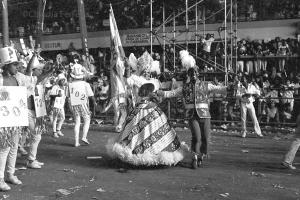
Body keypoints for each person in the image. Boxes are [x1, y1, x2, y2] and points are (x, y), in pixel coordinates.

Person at [158, 50, 227, 169]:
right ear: (189, 75)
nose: (194, 75)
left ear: (198, 74)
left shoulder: (206, 85)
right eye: (191, 73)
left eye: (195, 73)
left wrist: (229, 86)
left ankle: (201, 156)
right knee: (197, 137)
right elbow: (172, 93)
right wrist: (159, 93)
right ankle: (195, 156)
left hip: (205, 115)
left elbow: (219, 89)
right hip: (192, 115)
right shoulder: (184, 88)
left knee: (205, 137)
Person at [106, 83, 188, 166]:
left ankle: (135, 151)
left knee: (136, 133)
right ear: (150, 92)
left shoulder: (138, 106)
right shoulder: (152, 106)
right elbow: (160, 99)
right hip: (151, 112)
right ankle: (152, 153)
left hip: (141, 111)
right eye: (153, 91)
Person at [0, 47, 25, 191]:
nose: (17, 67)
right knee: (4, 149)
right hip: (3, 121)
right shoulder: (1, 79)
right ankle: (0, 179)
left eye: (18, 64)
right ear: (6, 65)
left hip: (15, 120)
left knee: (14, 147)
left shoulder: (16, 79)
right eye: (15, 64)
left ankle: (10, 174)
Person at [68, 63, 96, 147]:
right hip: (83, 103)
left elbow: (68, 96)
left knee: (77, 122)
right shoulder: (85, 84)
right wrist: (94, 103)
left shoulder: (70, 84)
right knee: (87, 120)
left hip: (74, 103)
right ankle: (84, 137)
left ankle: (76, 142)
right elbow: (91, 96)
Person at [50, 73, 67, 138]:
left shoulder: (64, 87)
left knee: (63, 117)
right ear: (59, 81)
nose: (63, 81)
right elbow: (51, 95)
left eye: (63, 80)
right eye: (61, 80)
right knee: (55, 118)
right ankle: (54, 132)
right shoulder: (55, 87)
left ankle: (58, 130)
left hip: (61, 105)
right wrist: (57, 95)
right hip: (56, 104)